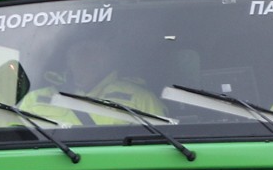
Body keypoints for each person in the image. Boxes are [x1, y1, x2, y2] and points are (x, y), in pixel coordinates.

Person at [18, 32, 165, 125]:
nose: (87, 57)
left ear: (110, 58)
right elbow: (21, 143)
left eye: (95, 51)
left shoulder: (140, 98)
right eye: (80, 51)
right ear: (68, 59)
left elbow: (160, 146)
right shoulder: (35, 98)